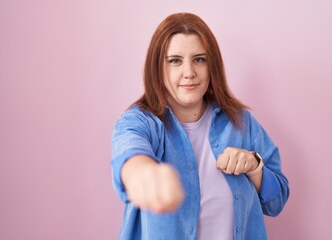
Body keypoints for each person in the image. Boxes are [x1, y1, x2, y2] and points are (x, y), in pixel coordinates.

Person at [111, 12, 289, 240]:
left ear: (211, 65)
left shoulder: (242, 123)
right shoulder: (138, 121)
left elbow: (277, 201)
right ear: (157, 68)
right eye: (175, 60)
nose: (189, 73)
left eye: (199, 59)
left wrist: (255, 167)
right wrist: (144, 173)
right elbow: (129, 154)